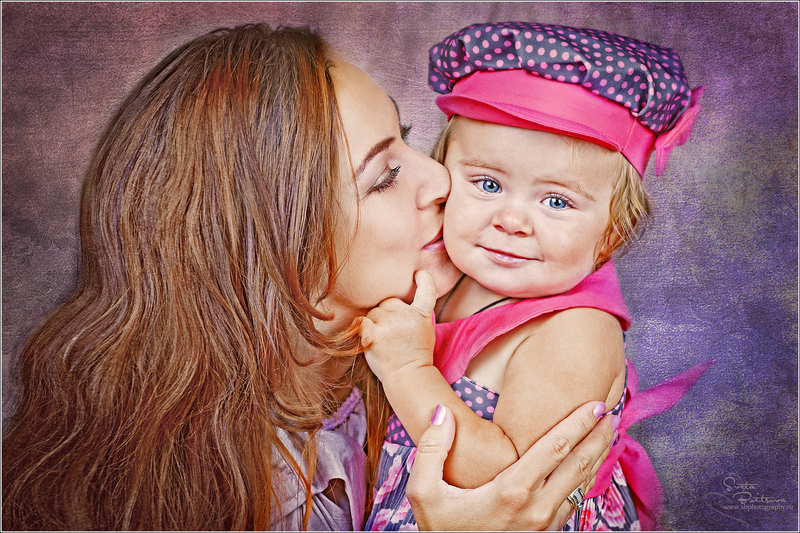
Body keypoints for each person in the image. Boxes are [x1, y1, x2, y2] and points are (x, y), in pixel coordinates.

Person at [1, 23, 617, 531]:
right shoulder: (220, 496)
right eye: (384, 177)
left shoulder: (426, 366)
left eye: (407, 141)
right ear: (274, 248)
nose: (439, 179)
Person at [361, 22, 708, 531]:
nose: (511, 220)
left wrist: (407, 369)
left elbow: (509, 486)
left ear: (612, 234)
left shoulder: (574, 331)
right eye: (487, 183)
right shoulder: (458, 271)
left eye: (556, 201)